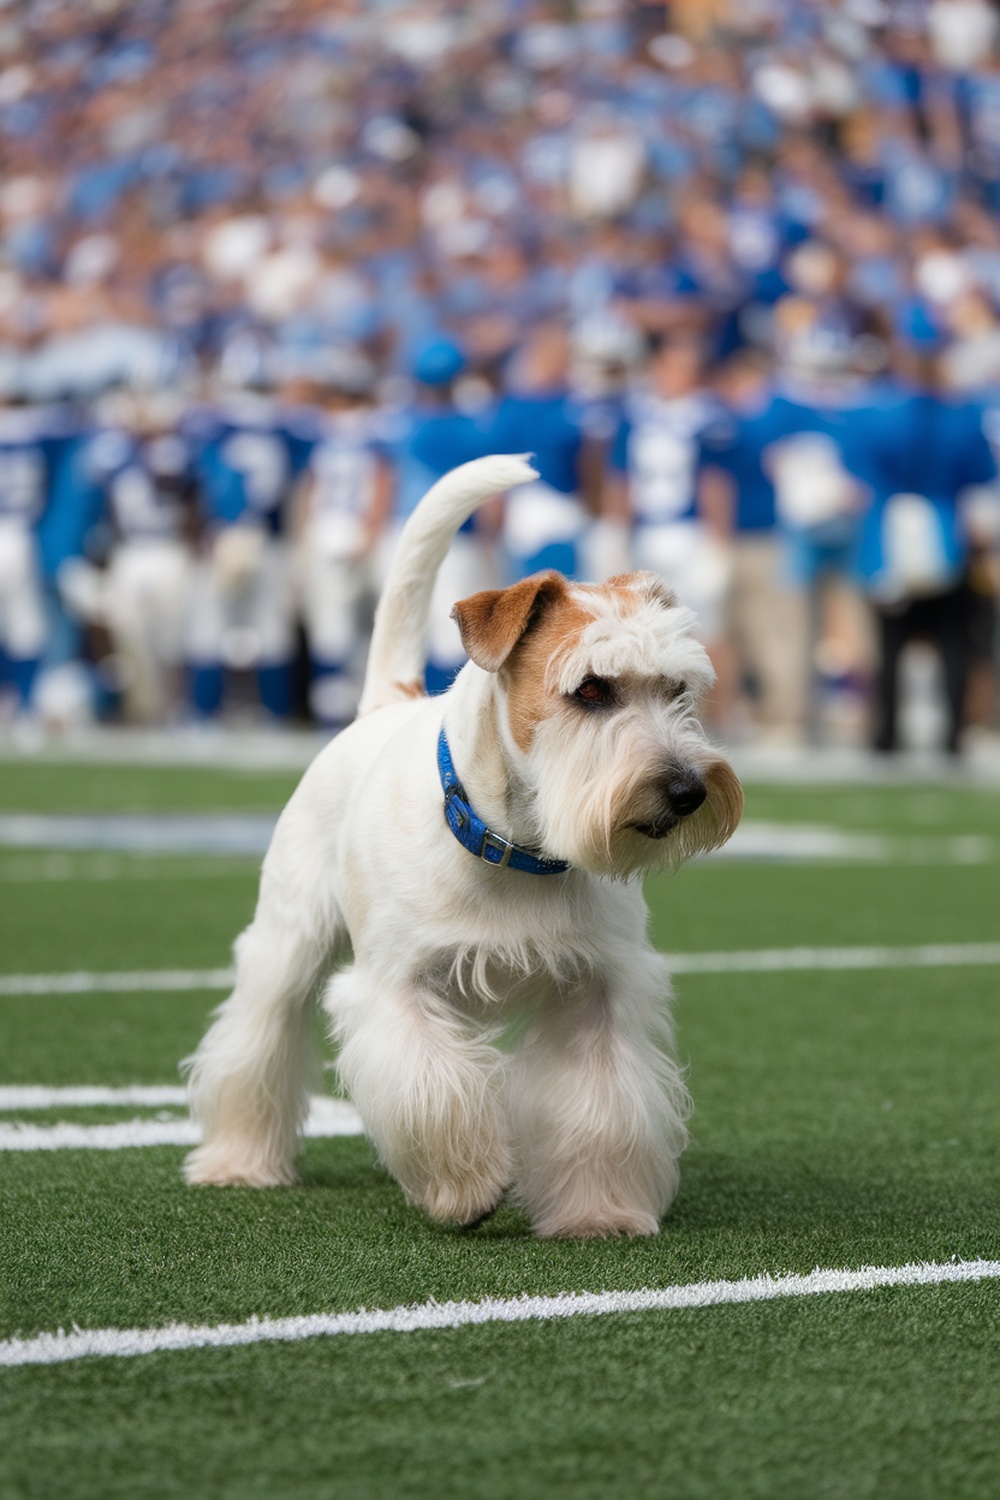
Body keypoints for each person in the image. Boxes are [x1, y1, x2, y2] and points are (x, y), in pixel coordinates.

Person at [697, 350, 811, 741]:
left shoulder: (738, 422)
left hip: (752, 536)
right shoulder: (792, 413)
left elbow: (718, 485)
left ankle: (782, 718)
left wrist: (718, 540)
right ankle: (776, 714)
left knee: (767, 632)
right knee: (768, 631)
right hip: (784, 535)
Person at [292, 351, 392, 729]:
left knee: (336, 629)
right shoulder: (374, 429)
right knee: (357, 629)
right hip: (355, 533)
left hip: (335, 533)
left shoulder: (325, 432)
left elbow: (314, 488)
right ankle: (344, 711)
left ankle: (337, 713)